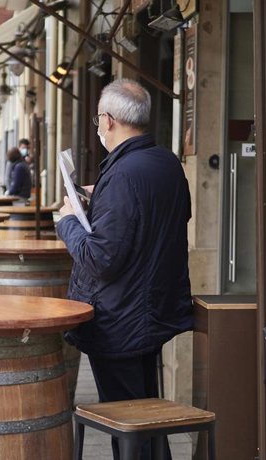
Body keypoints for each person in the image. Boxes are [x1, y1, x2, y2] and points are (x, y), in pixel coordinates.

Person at [56, 79, 192, 460]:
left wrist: (68, 220)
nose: (99, 127)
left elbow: (101, 259)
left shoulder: (122, 175)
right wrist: (102, 197)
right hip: (151, 313)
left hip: (121, 319)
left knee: (128, 427)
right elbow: (161, 218)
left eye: (99, 119)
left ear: (110, 120)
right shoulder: (166, 162)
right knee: (145, 418)